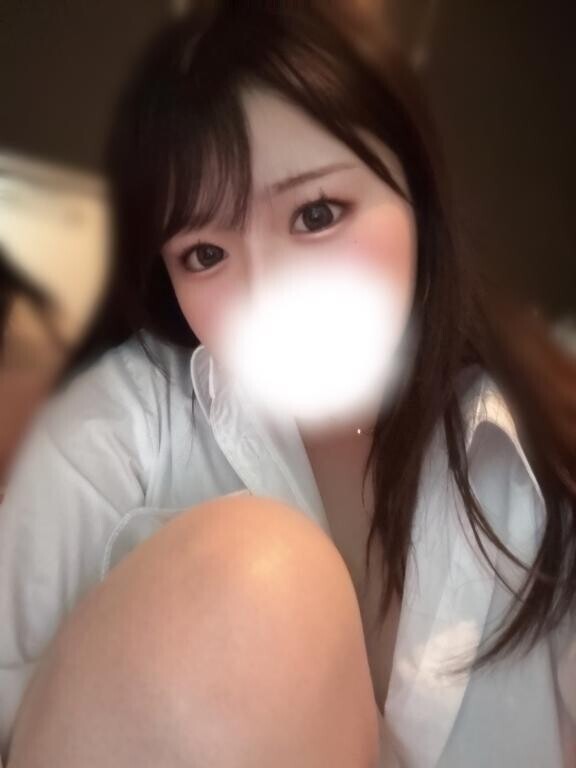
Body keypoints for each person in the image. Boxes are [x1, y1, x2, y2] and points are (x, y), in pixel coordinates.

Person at [1, 3, 575, 766]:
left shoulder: (536, 447)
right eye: (205, 254)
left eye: (316, 213)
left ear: (419, 202)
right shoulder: (116, 435)